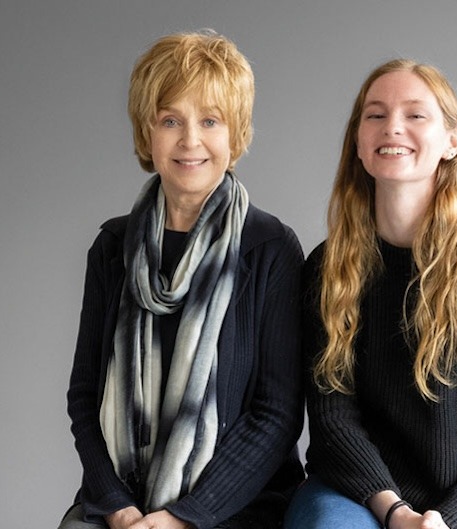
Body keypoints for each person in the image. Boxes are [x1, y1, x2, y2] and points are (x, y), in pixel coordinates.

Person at [284, 59, 457, 529]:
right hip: (356, 496)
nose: (393, 127)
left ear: (453, 141)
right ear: (359, 143)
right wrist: (396, 513)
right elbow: (331, 419)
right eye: (376, 114)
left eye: (415, 114)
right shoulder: (326, 268)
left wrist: (449, 519)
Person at [60, 31, 304, 529]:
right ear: (145, 133)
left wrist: (183, 517)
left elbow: (275, 415)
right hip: (120, 501)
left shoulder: (271, 247)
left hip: (239, 503)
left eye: (210, 121)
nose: (190, 140)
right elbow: (85, 394)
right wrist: (120, 507)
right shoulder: (113, 248)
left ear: (235, 136)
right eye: (171, 120)